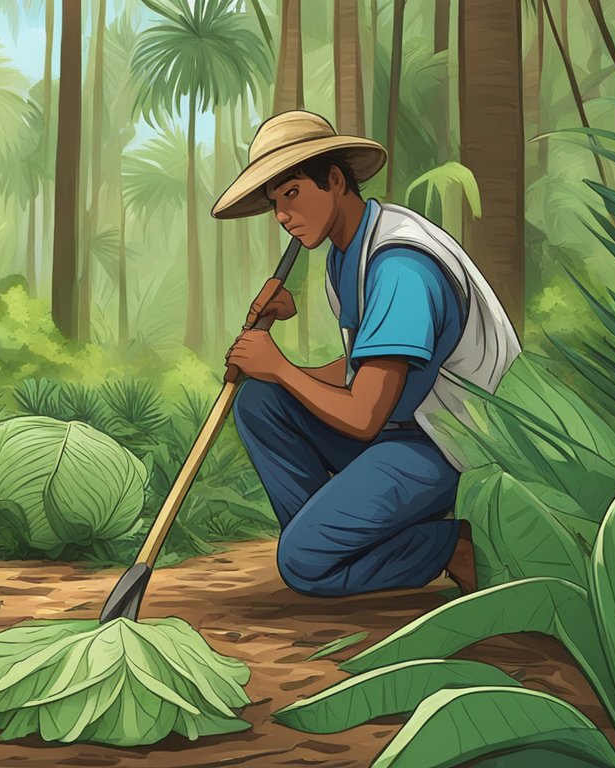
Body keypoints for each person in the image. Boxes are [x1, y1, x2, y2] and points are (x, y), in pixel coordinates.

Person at [211, 110, 521, 598]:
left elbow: (363, 416)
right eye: (275, 204)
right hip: (404, 429)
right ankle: (341, 539)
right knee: (261, 402)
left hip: (452, 446)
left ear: (334, 181)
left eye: (292, 194)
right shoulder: (346, 251)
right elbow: (367, 369)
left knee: (303, 565)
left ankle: (451, 546)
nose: (283, 217)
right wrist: (272, 371)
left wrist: (279, 366)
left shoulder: (399, 266)